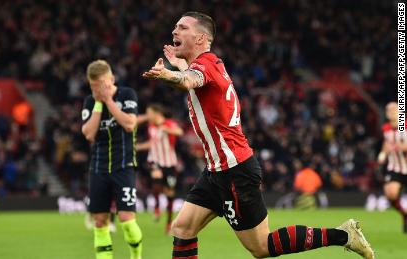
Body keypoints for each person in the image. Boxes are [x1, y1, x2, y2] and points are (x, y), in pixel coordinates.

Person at [143, 11, 374, 259]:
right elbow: (192, 76)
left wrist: (170, 74)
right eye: (175, 27)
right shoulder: (211, 64)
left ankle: (344, 235)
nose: (174, 31)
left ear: (200, 38)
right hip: (215, 170)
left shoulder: (205, 65)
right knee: (183, 228)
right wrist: (178, 67)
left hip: (234, 171)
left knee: (261, 247)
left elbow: (190, 80)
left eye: (182, 27)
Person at [81, 60, 142, 259]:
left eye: (100, 84)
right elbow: (89, 134)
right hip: (98, 168)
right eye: (93, 86)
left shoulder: (127, 94)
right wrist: (99, 102)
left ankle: (136, 255)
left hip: (123, 166)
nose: (96, 89)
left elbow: (129, 124)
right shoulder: (90, 102)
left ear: (111, 79)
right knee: (99, 221)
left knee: (126, 219)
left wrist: (108, 101)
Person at [136, 104, 184, 233]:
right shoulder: (151, 127)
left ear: (157, 113)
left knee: (170, 194)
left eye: (149, 113)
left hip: (169, 163)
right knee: (156, 181)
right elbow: (153, 143)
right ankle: (157, 207)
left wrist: (167, 130)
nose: (148, 116)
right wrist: (139, 147)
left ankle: (169, 223)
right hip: (155, 160)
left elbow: (179, 131)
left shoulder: (168, 123)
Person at [378, 102, 407, 233]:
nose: (389, 111)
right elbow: (387, 141)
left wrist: (403, 147)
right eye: (388, 109)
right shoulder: (386, 128)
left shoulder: (403, 124)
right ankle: (405, 215)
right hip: (395, 167)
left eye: (393, 109)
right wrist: (383, 153)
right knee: (390, 193)